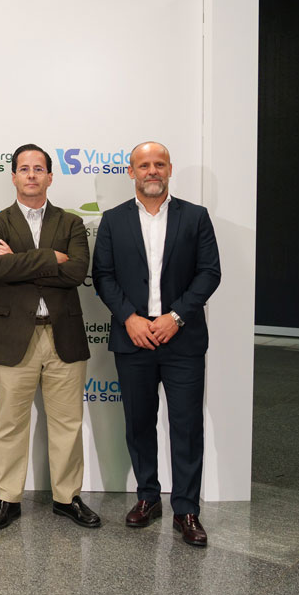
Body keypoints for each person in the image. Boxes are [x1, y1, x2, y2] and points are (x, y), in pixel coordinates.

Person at [92, 141, 221, 547]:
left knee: (187, 426)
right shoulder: (113, 220)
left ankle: (186, 509)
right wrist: (130, 318)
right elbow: (103, 276)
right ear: (131, 172)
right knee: (139, 424)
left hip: (182, 341)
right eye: (144, 165)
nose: (152, 171)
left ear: (169, 169)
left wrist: (175, 316)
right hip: (133, 340)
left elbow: (209, 273)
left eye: (159, 164)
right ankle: (148, 496)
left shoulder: (195, 217)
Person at [0, 143, 100, 531]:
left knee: (68, 423)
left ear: (50, 176)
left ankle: (67, 498)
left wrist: (21, 260)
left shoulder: (71, 223)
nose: (31, 175)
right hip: (14, 336)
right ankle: (7, 499)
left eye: (38, 169)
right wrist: (52, 258)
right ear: (13, 176)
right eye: (24, 168)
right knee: (9, 424)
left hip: (63, 334)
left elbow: (76, 271)